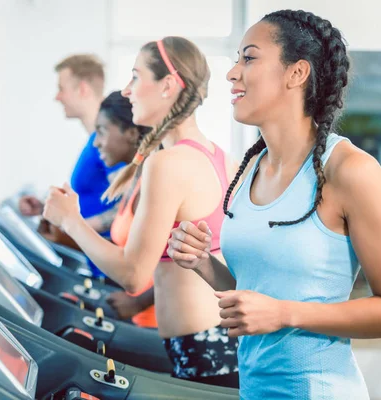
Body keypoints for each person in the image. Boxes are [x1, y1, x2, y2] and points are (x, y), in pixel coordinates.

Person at [166, 10, 381, 399]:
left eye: (248, 58)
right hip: (254, 390)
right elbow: (260, 297)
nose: (232, 73)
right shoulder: (252, 167)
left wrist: (284, 314)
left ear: (296, 73)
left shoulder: (351, 171)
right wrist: (204, 263)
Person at [42, 37, 240, 387]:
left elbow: (133, 274)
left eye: (135, 77)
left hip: (202, 350)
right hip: (214, 343)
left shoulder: (168, 163)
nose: (128, 91)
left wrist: (69, 220)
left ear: (167, 85)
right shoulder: (218, 155)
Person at [18, 54, 124, 277]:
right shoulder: (94, 141)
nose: (57, 97)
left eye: (61, 88)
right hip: (97, 266)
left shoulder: (113, 144)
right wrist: (49, 210)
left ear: (82, 89)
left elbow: (127, 206)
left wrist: (71, 225)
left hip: (113, 270)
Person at [93, 90, 156, 328]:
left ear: (131, 133)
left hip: (156, 323)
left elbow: (180, 263)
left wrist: (139, 302)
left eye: (101, 131)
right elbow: (130, 250)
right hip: (141, 318)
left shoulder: (152, 183)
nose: (96, 142)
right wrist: (64, 234)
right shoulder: (136, 178)